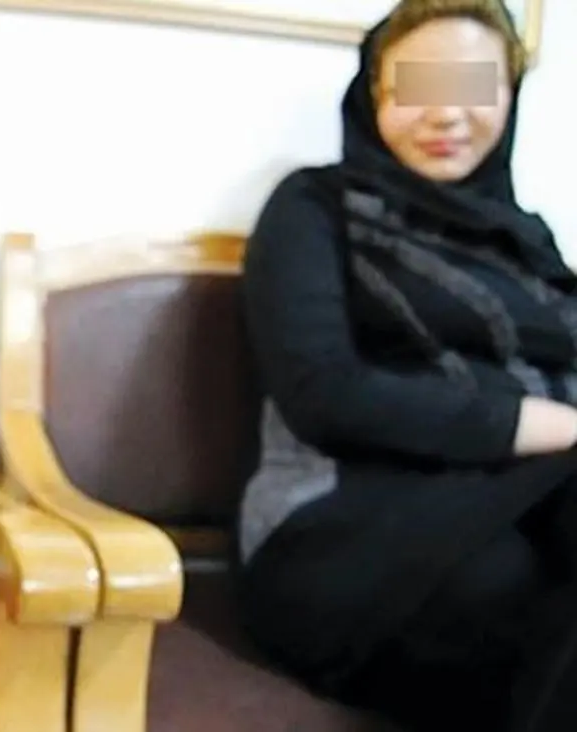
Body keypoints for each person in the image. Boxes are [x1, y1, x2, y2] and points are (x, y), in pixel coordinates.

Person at [235, 1, 577, 730]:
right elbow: (323, 392)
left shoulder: (528, 240)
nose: (446, 113)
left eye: (474, 85)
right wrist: (535, 423)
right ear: (374, 94)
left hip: (531, 494)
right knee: (505, 585)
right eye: (419, 85)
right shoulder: (315, 208)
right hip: (345, 521)